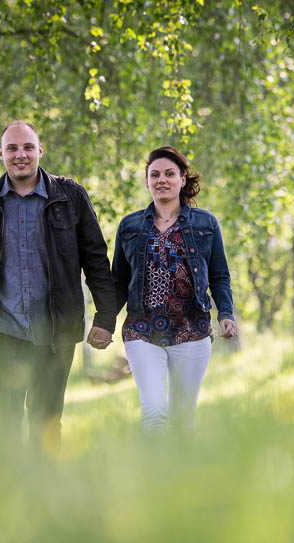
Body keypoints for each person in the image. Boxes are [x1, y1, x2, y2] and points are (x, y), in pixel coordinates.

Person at [0, 120, 116, 454]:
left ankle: (46, 498)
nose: (20, 155)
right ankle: (8, 499)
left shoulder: (71, 196)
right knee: (4, 426)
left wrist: (105, 318)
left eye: (27, 147)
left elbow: (95, 258)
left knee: (47, 423)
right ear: (0, 154)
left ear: (40, 150)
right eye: (12, 148)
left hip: (54, 332)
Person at [110, 146, 236, 430]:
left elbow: (219, 276)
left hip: (192, 329)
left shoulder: (206, 223)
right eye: (154, 175)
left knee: (182, 417)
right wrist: (104, 323)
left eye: (169, 174)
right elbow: (118, 280)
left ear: (182, 179)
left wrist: (225, 313)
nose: (161, 180)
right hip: (142, 330)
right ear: (146, 182)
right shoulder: (129, 226)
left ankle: (182, 474)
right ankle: (152, 474)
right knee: (154, 412)